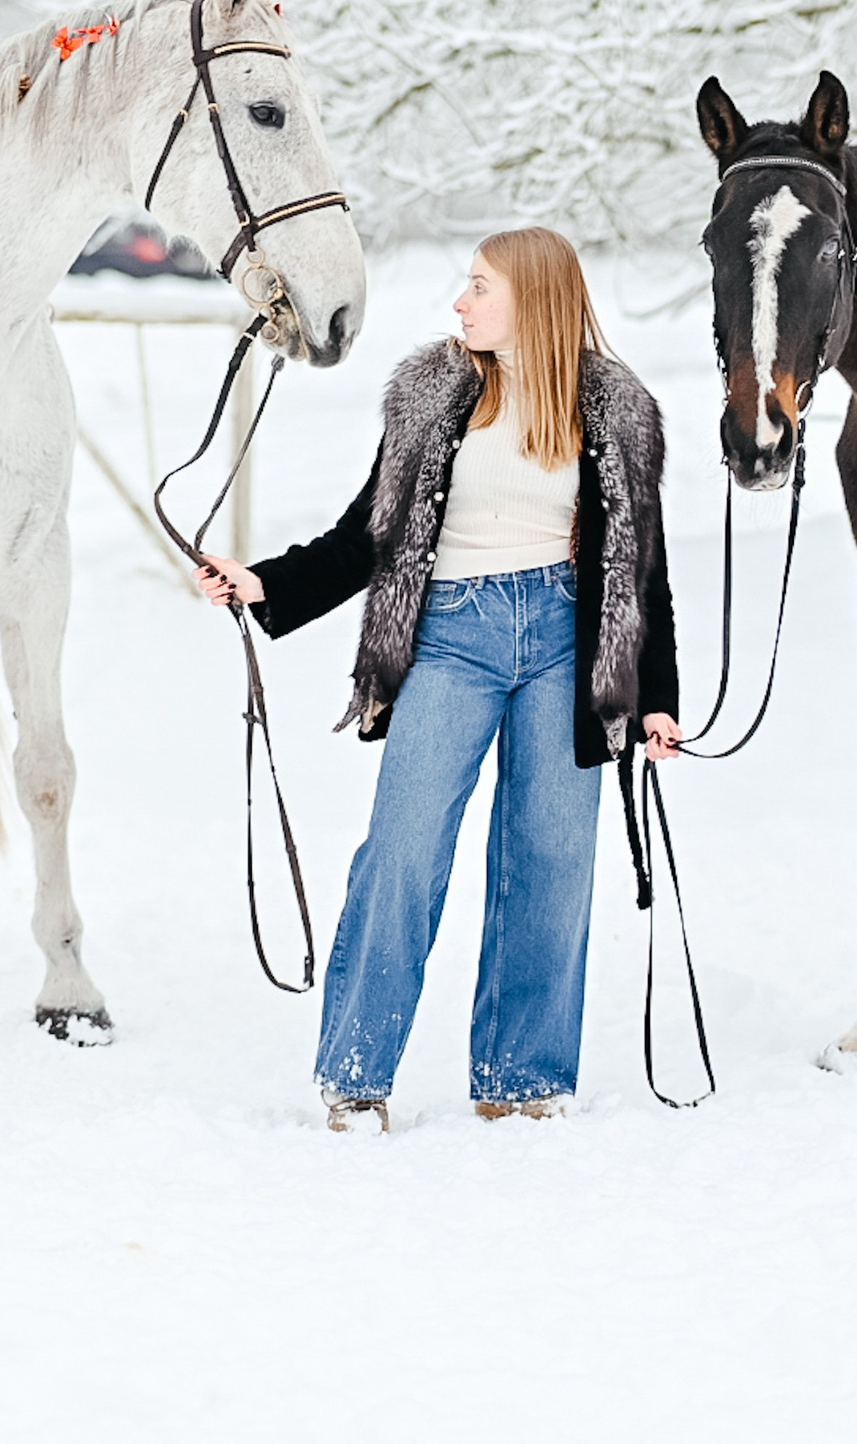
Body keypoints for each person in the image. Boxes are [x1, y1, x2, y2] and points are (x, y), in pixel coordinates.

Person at [197, 227, 680, 1133]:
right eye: (464, 284)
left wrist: (657, 696)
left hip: (567, 646)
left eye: (480, 287)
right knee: (404, 847)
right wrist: (267, 583)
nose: (461, 303)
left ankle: (521, 1080)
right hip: (453, 637)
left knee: (551, 859)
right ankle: (355, 1073)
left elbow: (641, 567)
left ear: (534, 298)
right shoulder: (433, 392)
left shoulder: (615, 405)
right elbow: (366, 534)